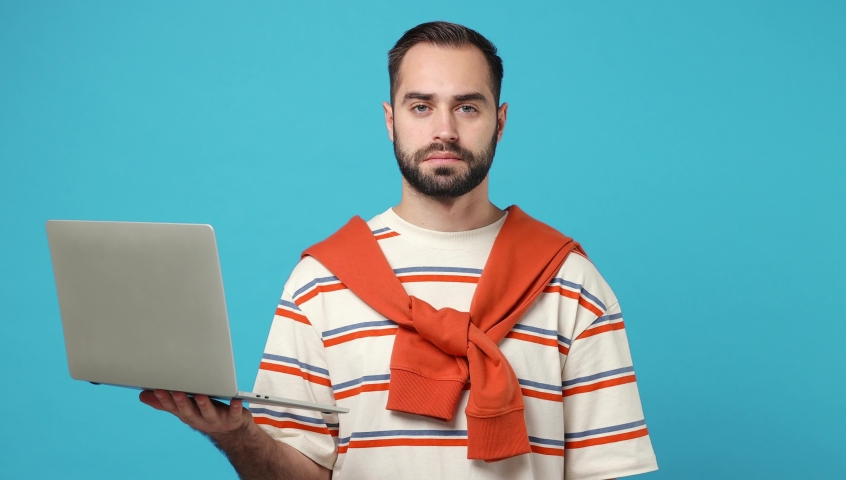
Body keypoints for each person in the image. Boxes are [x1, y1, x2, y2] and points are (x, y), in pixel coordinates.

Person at [140, 21, 658, 480]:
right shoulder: (321, 282)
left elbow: (602, 471)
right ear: (391, 120)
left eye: (467, 107)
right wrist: (236, 435)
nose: (444, 131)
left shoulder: (571, 282)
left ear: (500, 122)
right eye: (421, 106)